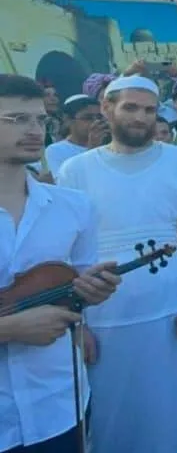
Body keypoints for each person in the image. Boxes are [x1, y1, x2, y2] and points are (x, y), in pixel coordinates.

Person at [57, 75, 177, 453]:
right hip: (103, 315)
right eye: (130, 107)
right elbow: (66, 253)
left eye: (148, 109)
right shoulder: (75, 170)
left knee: (167, 414)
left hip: (169, 310)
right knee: (110, 419)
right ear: (107, 108)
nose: (140, 117)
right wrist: (78, 325)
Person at [0, 74, 121, 453]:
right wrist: (9, 329)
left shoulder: (74, 207)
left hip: (58, 402)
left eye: (40, 120)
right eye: (17, 119)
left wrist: (92, 292)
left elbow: (78, 288)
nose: (34, 130)